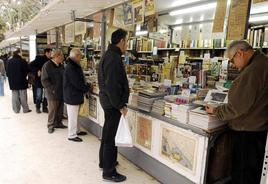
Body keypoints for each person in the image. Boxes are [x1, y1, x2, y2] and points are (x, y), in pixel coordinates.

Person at [206, 40, 268, 184]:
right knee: (252, 173)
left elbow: (237, 107)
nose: (233, 64)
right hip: (259, 130)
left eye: (232, 59)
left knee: (242, 174)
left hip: (247, 133)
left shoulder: (252, 71)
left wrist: (217, 110)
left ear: (239, 53)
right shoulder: (263, 63)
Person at [98, 29, 130, 182]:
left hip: (108, 102)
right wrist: (120, 105)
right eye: (127, 41)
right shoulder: (113, 58)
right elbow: (112, 86)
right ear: (122, 41)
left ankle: (104, 162)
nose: (127, 44)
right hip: (112, 104)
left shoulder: (109, 55)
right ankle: (109, 172)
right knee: (111, 138)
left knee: (107, 134)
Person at [63, 48, 90, 142]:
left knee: (76, 115)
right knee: (72, 117)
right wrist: (86, 88)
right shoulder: (71, 67)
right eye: (80, 56)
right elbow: (76, 82)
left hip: (73, 94)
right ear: (76, 56)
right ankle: (71, 135)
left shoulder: (72, 65)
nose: (81, 58)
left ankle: (77, 131)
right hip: (72, 95)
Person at [41, 49, 67, 134]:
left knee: (60, 109)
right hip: (52, 92)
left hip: (61, 91)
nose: (63, 58)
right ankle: (50, 125)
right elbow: (44, 80)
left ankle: (58, 123)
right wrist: (52, 89)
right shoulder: (47, 65)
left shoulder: (61, 65)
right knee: (52, 110)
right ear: (56, 56)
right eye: (61, 56)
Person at [6, 49, 31, 113]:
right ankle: (25, 109)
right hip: (22, 81)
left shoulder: (9, 61)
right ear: (19, 53)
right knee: (23, 95)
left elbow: (7, 73)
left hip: (12, 82)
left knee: (15, 95)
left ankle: (16, 110)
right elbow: (27, 70)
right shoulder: (22, 61)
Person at [29, 48, 52, 113]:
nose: (51, 54)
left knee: (46, 95)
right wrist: (37, 70)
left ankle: (45, 108)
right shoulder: (39, 58)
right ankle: (38, 107)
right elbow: (30, 65)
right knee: (39, 94)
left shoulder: (51, 60)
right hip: (39, 80)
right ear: (46, 53)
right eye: (50, 53)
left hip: (47, 80)